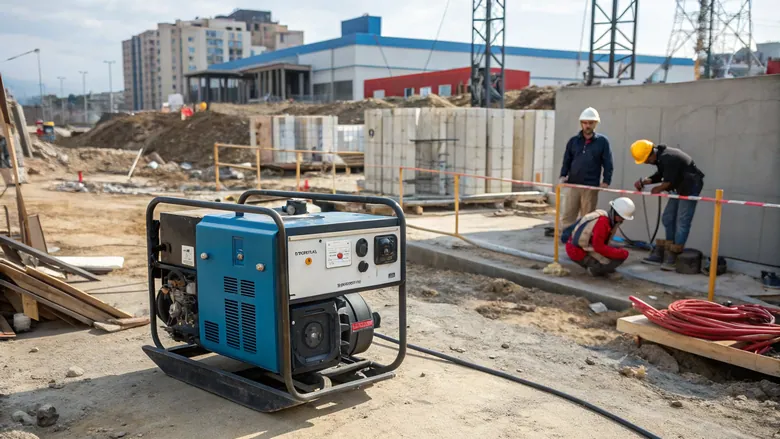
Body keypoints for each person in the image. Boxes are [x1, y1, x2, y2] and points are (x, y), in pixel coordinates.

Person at [631, 140, 705, 271]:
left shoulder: (668, 157)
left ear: (650, 153)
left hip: (690, 187)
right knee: (668, 218)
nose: (646, 163)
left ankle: (674, 254)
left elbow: (668, 181)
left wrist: (657, 189)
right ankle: (667, 251)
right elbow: (661, 175)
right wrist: (645, 182)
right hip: (679, 187)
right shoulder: (661, 158)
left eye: (646, 160)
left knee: (682, 221)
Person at [555, 107, 614, 239]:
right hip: (573, 184)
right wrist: (563, 175)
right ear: (581, 123)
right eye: (585, 122)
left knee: (587, 216)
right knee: (568, 214)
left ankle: (582, 240)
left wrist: (606, 181)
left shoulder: (602, 142)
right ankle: (566, 239)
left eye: (591, 123)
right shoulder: (573, 141)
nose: (587, 125)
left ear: (595, 124)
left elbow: (608, 162)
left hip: (590, 185)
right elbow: (567, 159)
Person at [565, 197, 635, 277]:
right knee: (621, 255)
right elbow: (599, 247)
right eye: (621, 217)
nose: (621, 220)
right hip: (577, 251)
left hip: (576, 247)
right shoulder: (602, 222)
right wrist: (622, 253)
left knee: (615, 251)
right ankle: (595, 269)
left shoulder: (605, 218)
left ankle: (599, 266)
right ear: (614, 212)